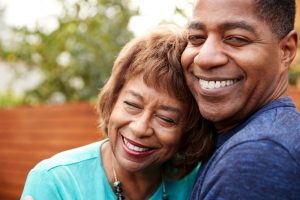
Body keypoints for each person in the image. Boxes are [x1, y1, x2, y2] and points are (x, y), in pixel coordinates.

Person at [21, 25, 215, 200]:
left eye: (166, 118)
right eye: (132, 104)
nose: (140, 128)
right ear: (113, 100)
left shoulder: (200, 182)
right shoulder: (54, 182)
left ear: (190, 130)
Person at [181, 0, 300, 199]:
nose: (204, 58)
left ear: (285, 51)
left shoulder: (256, 158)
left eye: (236, 38)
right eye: (196, 38)